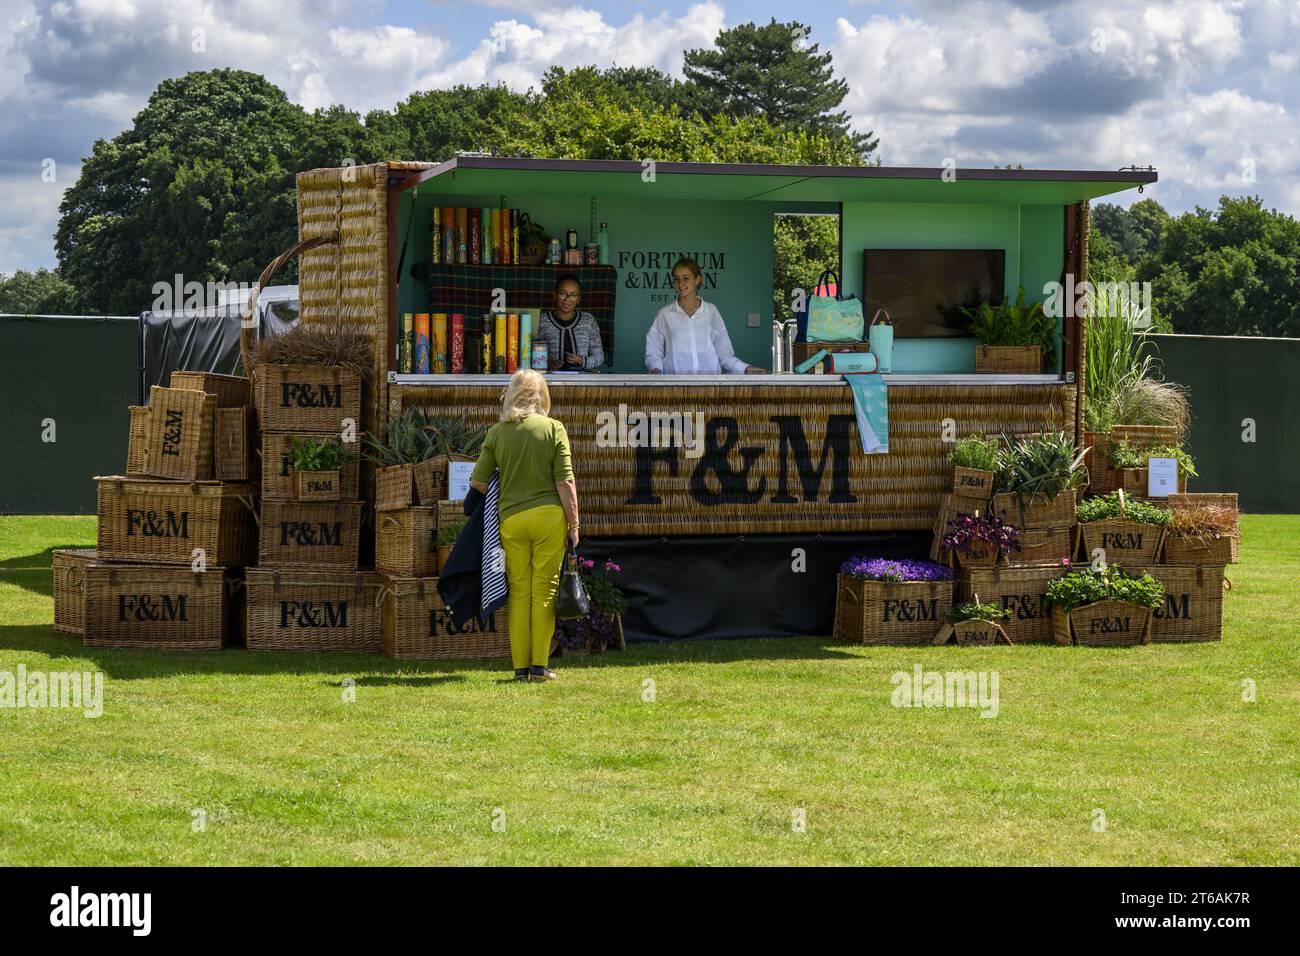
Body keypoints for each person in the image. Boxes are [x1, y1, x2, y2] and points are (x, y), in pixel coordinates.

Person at [469, 368, 580, 683]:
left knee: (518, 592)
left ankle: (519, 669)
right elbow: (565, 482)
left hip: (512, 520)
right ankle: (540, 668)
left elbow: (478, 482)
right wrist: (574, 522)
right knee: (544, 591)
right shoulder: (553, 429)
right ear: (541, 396)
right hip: (548, 518)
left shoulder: (497, 433)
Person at [645, 257, 767, 374]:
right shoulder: (665, 314)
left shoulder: (711, 311)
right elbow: (653, 350)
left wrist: (745, 368)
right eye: (676, 279)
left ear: (697, 280)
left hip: (709, 386)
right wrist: (655, 369)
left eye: (686, 278)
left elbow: (724, 354)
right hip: (675, 387)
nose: (680, 283)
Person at [536, 273, 605, 371]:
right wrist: (547, 362)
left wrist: (582, 361)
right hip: (547, 380)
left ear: (578, 299)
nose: (567, 299)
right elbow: (528, 353)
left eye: (573, 295)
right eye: (563, 294)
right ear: (555, 295)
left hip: (582, 381)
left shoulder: (588, 320)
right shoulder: (541, 320)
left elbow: (599, 357)